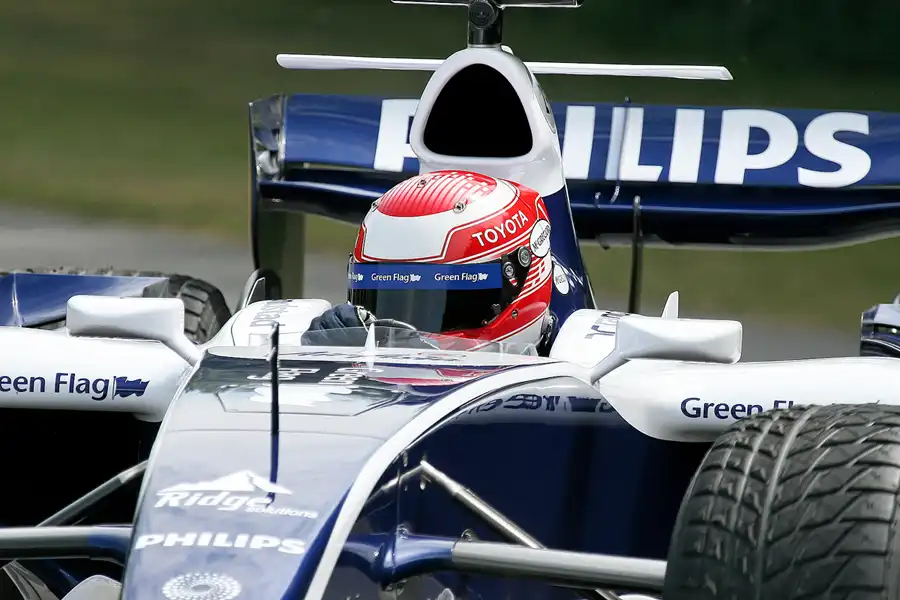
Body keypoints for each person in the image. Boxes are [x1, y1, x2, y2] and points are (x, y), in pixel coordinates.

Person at [305, 169, 555, 352]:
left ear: (516, 280)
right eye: (382, 302)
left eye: (441, 308)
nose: (397, 338)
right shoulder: (338, 342)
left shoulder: (584, 371)